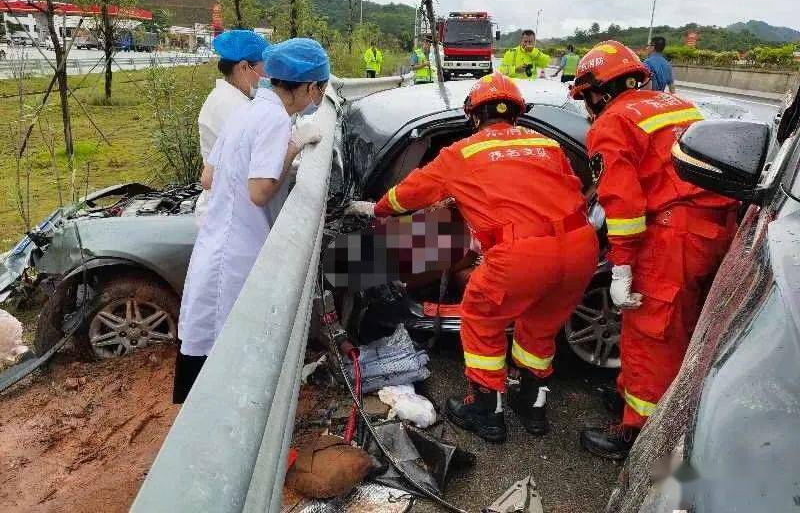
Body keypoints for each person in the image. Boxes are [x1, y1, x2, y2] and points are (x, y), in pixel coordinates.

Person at [345, 72, 599, 443]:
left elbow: (408, 195)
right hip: (580, 247)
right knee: (540, 326)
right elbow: (569, 189)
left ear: (474, 116)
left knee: (480, 321)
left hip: (522, 253)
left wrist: (377, 209)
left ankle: (486, 412)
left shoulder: (460, 153)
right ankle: (532, 406)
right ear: (516, 113)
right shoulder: (547, 145)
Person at [568, 40, 738, 459]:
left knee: (652, 332)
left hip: (671, 238)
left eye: (587, 95)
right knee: (679, 328)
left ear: (600, 90)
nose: (588, 105)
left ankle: (640, 438)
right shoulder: (679, 105)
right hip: (716, 230)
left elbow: (623, 206)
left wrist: (621, 267)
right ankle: (637, 398)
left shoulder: (611, 124)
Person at [173, 38, 330, 404]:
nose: (318, 97)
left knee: (203, 349)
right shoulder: (275, 119)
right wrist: (293, 147)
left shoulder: (245, 110)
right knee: (226, 359)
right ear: (309, 87)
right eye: (319, 89)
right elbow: (259, 192)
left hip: (216, 246)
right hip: (238, 254)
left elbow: (207, 177)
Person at [195, 30, 271, 227]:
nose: (266, 76)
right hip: (225, 212)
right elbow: (256, 159)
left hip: (232, 204)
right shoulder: (229, 106)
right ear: (244, 67)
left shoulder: (238, 99)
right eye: (264, 69)